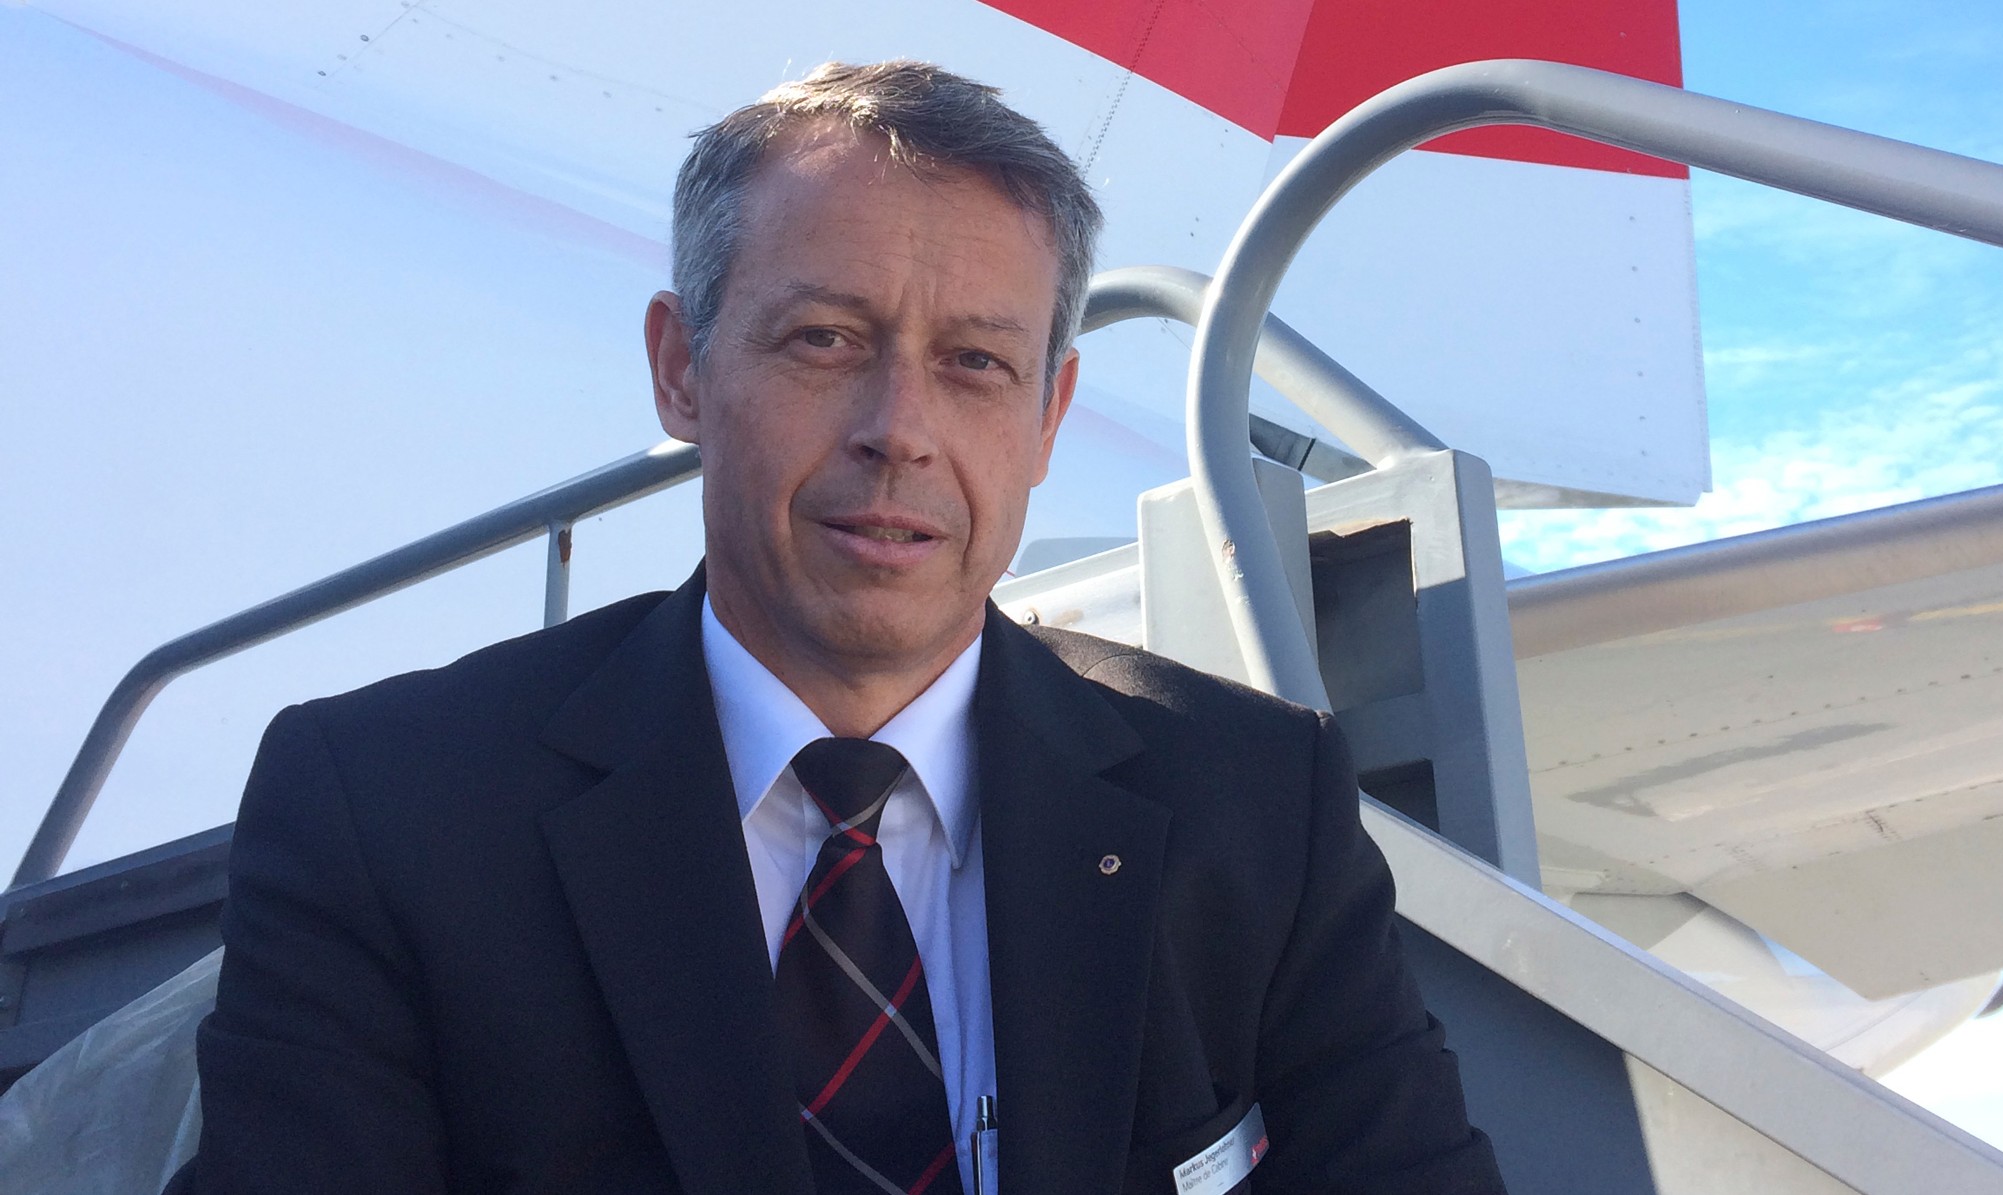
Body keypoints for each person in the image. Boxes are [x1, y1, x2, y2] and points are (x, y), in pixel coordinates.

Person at [174, 60, 1505, 1194]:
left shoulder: (1254, 801)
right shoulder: (389, 812)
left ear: (1048, 417)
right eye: (823, 339)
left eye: (976, 363)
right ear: (681, 369)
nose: (899, 430)